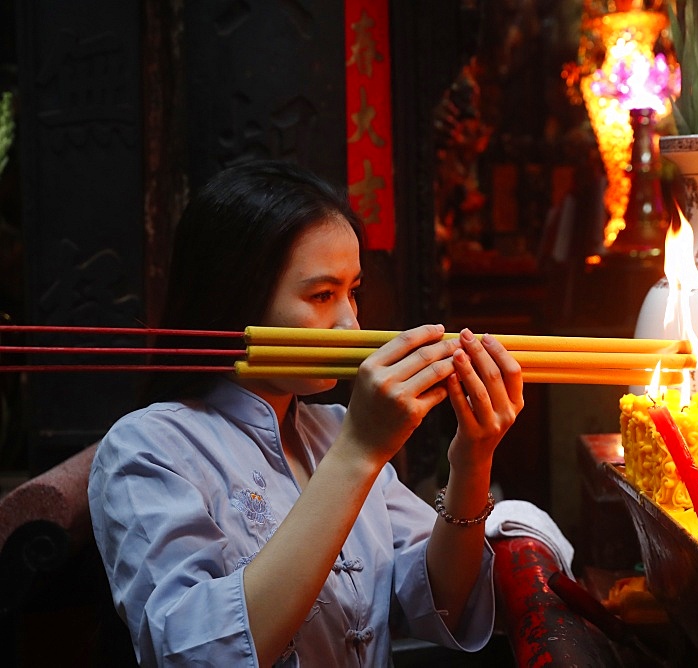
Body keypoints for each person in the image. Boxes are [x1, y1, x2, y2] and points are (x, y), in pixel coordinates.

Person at [88, 160, 524, 666]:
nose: (351, 327)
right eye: (322, 295)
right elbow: (195, 653)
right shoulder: (149, 447)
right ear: (238, 296)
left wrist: (472, 459)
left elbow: (439, 601)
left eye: (352, 292)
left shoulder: (332, 426)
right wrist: (358, 453)